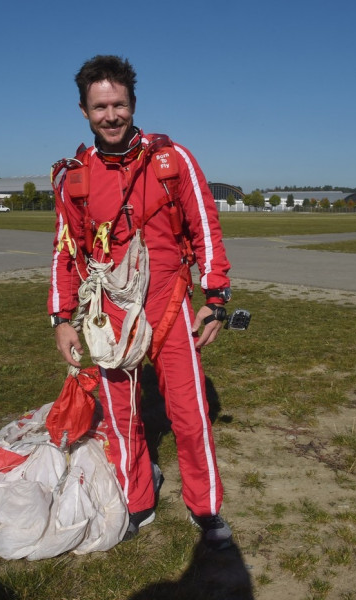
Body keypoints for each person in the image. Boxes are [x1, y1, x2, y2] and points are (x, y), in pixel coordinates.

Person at [48, 55, 234, 550]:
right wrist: (62, 318)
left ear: (133, 104)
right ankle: (137, 502)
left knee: (190, 413)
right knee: (121, 417)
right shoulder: (75, 178)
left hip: (169, 304)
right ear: (84, 111)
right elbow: (65, 251)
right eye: (100, 107)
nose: (111, 116)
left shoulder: (173, 161)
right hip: (111, 314)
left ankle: (205, 506)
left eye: (119, 104)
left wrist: (216, 297)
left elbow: (206, 227)